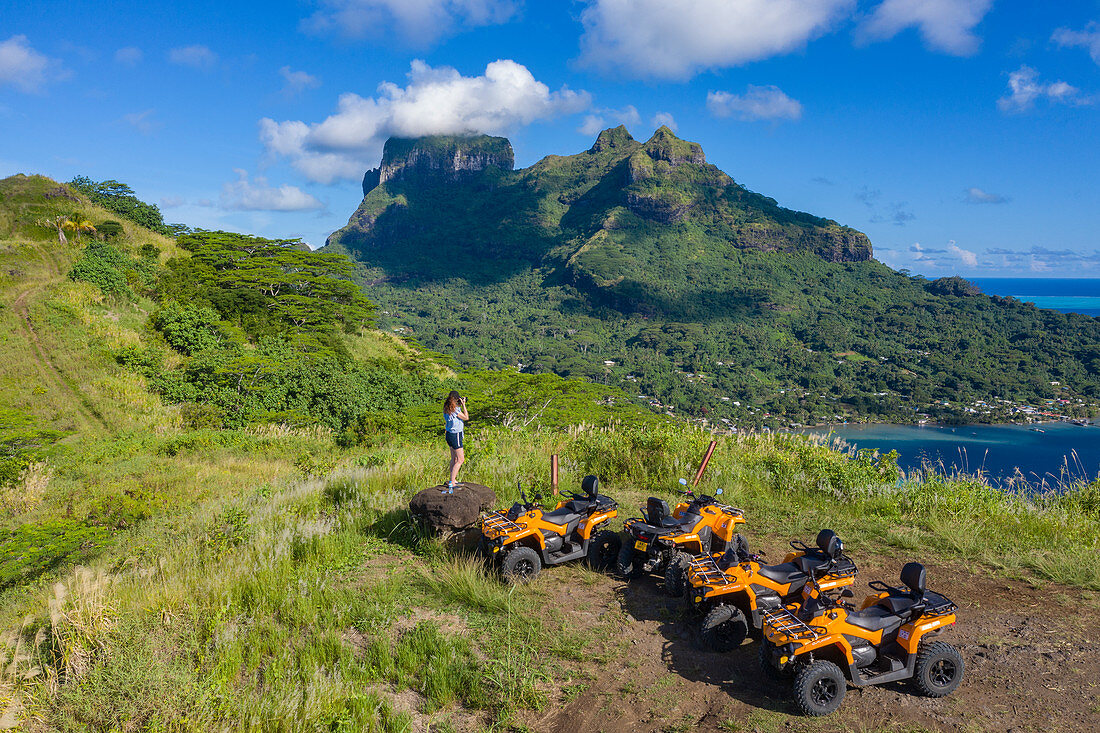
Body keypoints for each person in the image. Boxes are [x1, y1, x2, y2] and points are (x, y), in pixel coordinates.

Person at [443, 390, 469, 490]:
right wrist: (463, 405)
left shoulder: (446, 408)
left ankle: (452, 479)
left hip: (449, 434)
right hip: (456, 435)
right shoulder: (456, 409)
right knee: (460, 459)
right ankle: (452, 482)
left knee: (453, 459)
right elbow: (466, 417)